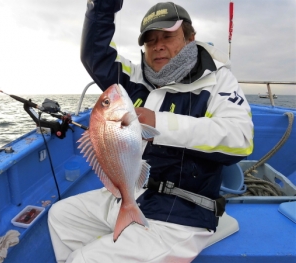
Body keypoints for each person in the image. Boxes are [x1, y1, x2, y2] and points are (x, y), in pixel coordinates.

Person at [48, 1, 254, 262]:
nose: (158, 46)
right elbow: (95, 53)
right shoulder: (134, 79)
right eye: (150, 41)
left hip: (181, 213)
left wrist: (161, 123)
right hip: (132, 195)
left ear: (191, 38)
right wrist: (103, 5)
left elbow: (241, 139)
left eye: (168, 36)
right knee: (61, 216)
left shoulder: (217, 81)